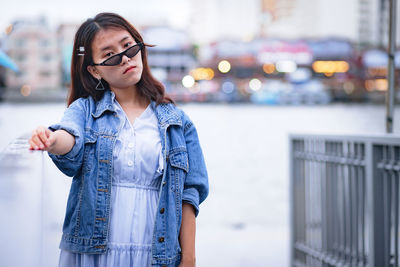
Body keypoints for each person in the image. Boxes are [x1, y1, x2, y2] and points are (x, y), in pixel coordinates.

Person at [28, 12, 209, 267]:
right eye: (110, 54)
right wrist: (50, 139)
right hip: (94, 251)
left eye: (128, 46)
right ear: (94, 70)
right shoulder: (84, 110)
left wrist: (188, 259)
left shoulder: (178, 122)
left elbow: (189, 193)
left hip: (156, 252)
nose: (125, 58)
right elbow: (70, 138)